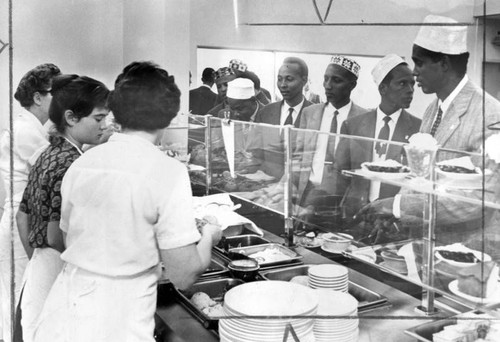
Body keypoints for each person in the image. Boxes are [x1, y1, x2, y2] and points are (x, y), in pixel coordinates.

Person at [34, 61, 222, 342]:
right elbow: (184, 275)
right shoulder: (168, 171)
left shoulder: (83, 163)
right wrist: (209, 235)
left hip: (62, 309)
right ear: (169, 116)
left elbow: (67, 237)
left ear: (116, 111)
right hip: (118, 320)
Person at [357, 15, 500, 244]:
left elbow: (478, 200)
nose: (414, 72)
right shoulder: (433, 109)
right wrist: (396, 217)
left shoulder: (490, 114)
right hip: (426, 245)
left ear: (443, 64)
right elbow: (419, 177)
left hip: (467, 256)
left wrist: (397, 206)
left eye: (420, 63)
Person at [16, 74, 110, 342]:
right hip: (59, 270)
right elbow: (57, 235)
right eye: (99, 118)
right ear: (71, 118)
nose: (105, 126)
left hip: (40, 267)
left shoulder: (49, 153)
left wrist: (38, 257)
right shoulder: (71, 164)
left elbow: (23, 217)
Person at [0, 63, 61, 342]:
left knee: (23, 292)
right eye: (56, 94)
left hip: (23, 215)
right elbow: (54, 167)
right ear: (38, 98)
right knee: (20, 293)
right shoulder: (24, 129)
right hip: (18, 218)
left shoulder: (30, 127)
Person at [336, 54, 421, 218]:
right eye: (402, 84)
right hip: (354, 216)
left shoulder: (419, 130)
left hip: (391, 220)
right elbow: (340, 173)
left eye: (412, 84)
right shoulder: (352, 125)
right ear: (383, 88)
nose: (410, 90)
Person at [293, 55, 368, 215]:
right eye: (326, 79)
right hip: (307, 194)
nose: (328, 86)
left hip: (342, 201)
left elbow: (361, 169)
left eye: (336, 80)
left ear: (352, 85)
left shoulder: (364, 119)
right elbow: (298, 156)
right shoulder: (309, 113)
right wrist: (289, 189)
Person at [249, 57, 313, 179]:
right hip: (267, 185)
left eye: (289, 79)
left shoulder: (315, 114)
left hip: (300, 187)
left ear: (304, 81)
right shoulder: (265, 113)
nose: (283, 85)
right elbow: (255, 154)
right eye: (279, 79)